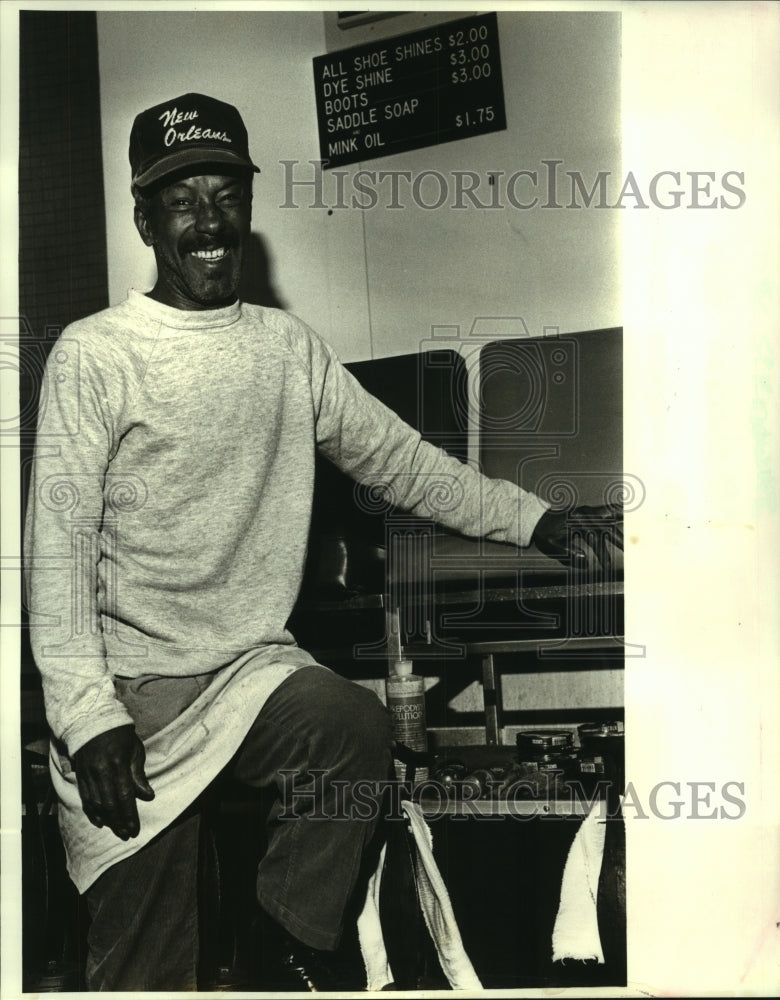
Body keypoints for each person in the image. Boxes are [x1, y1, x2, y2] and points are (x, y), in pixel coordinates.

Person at [24, 92, 623, 992]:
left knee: (351, 725)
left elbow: (406, 465)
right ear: (145, 219)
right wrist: (85, 716)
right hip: (132, 692)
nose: (209, 220)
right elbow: (57, 548)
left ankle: (284, 953)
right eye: (181, 200)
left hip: (251, 671)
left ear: (249, 207)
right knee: (144, 969)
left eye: (226, 192)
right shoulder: (95, 353)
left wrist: (538, 518)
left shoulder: (287, 348)